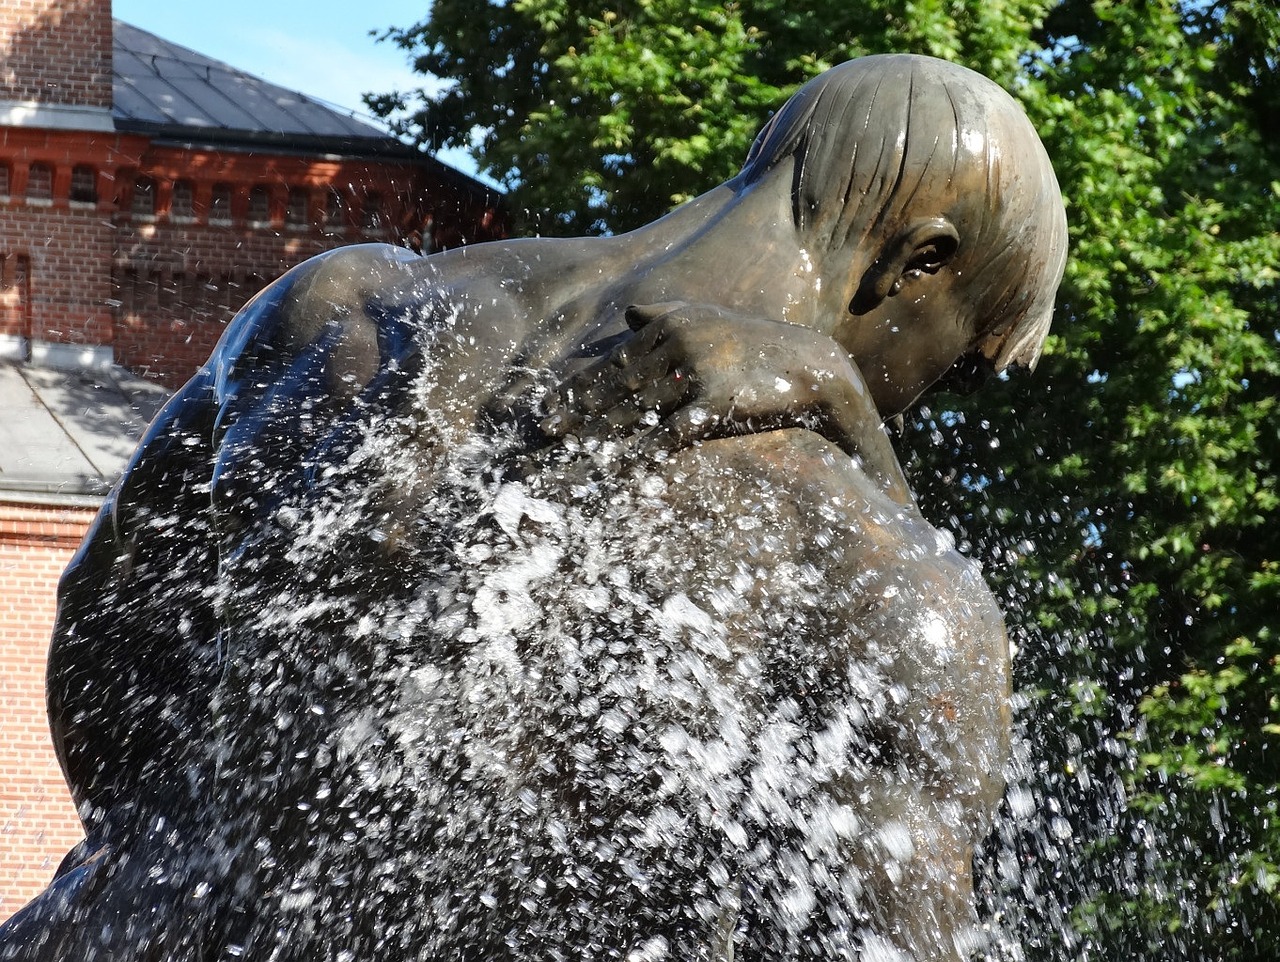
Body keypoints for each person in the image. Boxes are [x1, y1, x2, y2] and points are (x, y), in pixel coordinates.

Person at [1, 54, 1066, 961]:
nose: (919, 399)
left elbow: (101, 638)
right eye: (956, 365)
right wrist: (864, 448)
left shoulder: (347, 303)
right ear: (919, 263)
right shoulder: (878, 571)